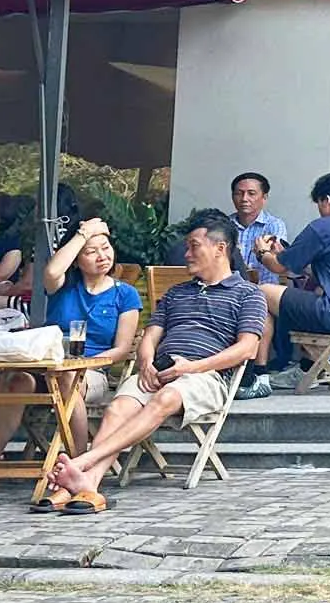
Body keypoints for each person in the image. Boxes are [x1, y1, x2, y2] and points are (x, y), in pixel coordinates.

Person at [43, 212, 265, 513]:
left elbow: (247, 349)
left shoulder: (248, 294)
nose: (186, 254)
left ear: (220, 249)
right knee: (118, 407)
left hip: (205, 376)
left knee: (166, 397)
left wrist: (192, 367)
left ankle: (82, 463)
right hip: (158, 372)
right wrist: (146, 362)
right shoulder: (176, 293)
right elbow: (150, 336)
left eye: (193, 246)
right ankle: (89, 482)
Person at [0, 218, 144, 496]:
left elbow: (122, 349)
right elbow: (51, 270)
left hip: (91, 372)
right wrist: (83, 234)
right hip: (46, 364)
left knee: (67, 379)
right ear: (76, 259)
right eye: (91, 251)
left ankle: (79, 466)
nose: (102, 256)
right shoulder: (63, 286)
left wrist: (84, 364)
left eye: (106, 248)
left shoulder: (125, 294)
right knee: (16, 381)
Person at [244, 172, 330, 395]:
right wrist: (286, 254)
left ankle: (258, 374)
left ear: (327, 200)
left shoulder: (322, 227)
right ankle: (307, 368)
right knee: (309, 291)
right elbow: (326, 271)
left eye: (319, 202)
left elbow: (278, 267)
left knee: (259, 293)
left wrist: (262, 252)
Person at [230, 173, 285, 285]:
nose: (244, 199)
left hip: (265, 290)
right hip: (230, 291)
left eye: (251, 193)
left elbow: (279, 260)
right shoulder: (224, 225)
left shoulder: (274, 225)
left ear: (264, 198)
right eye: (239, 193)